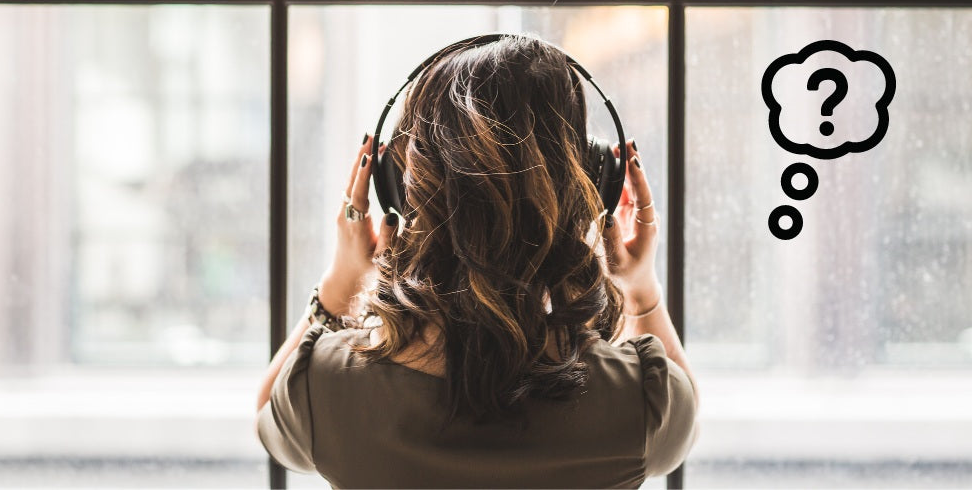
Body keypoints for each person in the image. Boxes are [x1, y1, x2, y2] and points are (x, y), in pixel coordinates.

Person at [256, 34, 699, 488]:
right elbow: (684, 425)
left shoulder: (325, 388)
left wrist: (342, 281)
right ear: (593, 183)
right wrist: (641, 288)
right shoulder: (639, 400)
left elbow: (270, 415)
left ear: (396, 190)